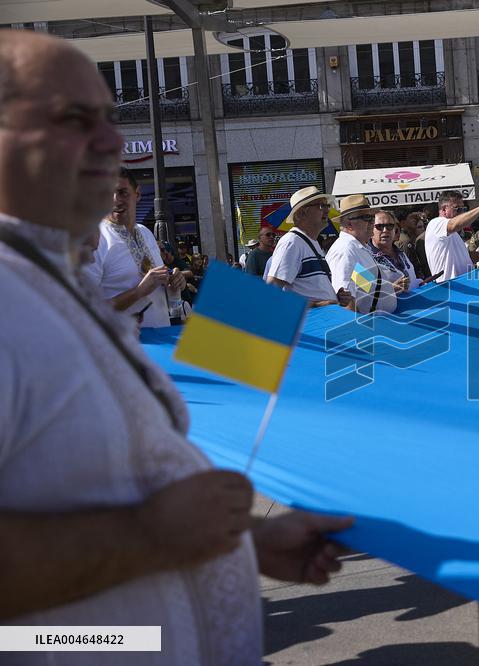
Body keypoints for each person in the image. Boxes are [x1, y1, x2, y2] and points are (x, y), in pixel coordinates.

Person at [0, 29, 353, 661]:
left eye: (109, 118)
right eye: (73, 119)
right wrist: (153, 537)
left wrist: (240, 546)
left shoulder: (52, 283)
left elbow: (104, 490)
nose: (111, 143)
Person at [85, 167, 185, 328]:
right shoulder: (95, 240)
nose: (116, 200)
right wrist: (138, 292)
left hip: (162, 335)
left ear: (137, 194)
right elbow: (86, 309)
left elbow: (158, 287)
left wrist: (175, 281)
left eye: (122, 192)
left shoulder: (146, 232)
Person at [266, 186, 346, 308]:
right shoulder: (291, 242)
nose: (327, 211)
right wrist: (316, 305)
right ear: (301, 213)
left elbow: (309, 289)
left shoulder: (309, 242)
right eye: (321, 206)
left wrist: (335, 297)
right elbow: (271, 291)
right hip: (311, 319)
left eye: (327, 205)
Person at [326, 196, 399, 314]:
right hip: (370, 321)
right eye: (366, 218)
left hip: (379, 318)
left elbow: (363, 286)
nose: (372, 222)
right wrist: (361, 324)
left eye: (372, 217)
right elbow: (345, 300)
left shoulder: (357, 247)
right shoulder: (345, 250)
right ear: (349, 224)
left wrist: (388, 289)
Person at [425, 189, 479, 282]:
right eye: (458, 209)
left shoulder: (453, 233)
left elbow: (465, 258)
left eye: (464, 209)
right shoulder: (435, 223)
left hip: (463, 284)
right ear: (444, 209)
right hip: (449, 286)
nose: (462, 213)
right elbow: (453, 224)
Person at [370, 209, 419, 292]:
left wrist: (420, 283)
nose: (385, 230)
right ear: (370, 229)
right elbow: (364, 290)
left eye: (390, 226)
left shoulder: (400, 253)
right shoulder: (364, 257)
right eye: (379, 226)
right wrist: (391, 289)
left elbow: (412, 279)